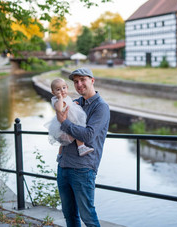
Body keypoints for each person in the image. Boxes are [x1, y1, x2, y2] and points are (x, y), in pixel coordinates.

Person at [55, 68, 110, 227]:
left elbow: (88, 135)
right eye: (75, 81)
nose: (79, 84)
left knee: (88, 217)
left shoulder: (101, 107)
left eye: (82, 80)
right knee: (70, 216)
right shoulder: (75, 103)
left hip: (83, 169)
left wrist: (65, 123)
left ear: (92, 80)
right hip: (64, 165)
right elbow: (59, 128)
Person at [45, 78, 94, 157]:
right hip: (66, 121)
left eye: (64, 88)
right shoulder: (57, 101)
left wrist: (73, 103)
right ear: (53, 92)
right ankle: (81, 147)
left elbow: (67, 104)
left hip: (68, 119)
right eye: (58, 89)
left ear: (67, 87)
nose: (62, 91)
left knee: (63, 143)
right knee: (78, 131)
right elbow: (59, 108)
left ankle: (59, 155)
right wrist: (60, 98)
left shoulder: (65, 98)